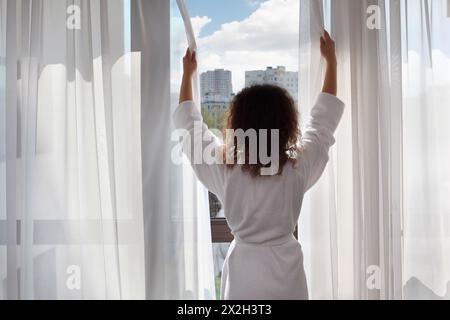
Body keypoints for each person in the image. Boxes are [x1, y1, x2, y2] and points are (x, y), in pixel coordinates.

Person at [173, 30, 344, 300]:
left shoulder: (226, 169)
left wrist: (187, 74)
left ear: (239, 124)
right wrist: (331, 62)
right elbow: (323, 124)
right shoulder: (297, 167)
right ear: (287, 124)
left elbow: (189, 128)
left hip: (244, 279)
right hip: (289, 278)